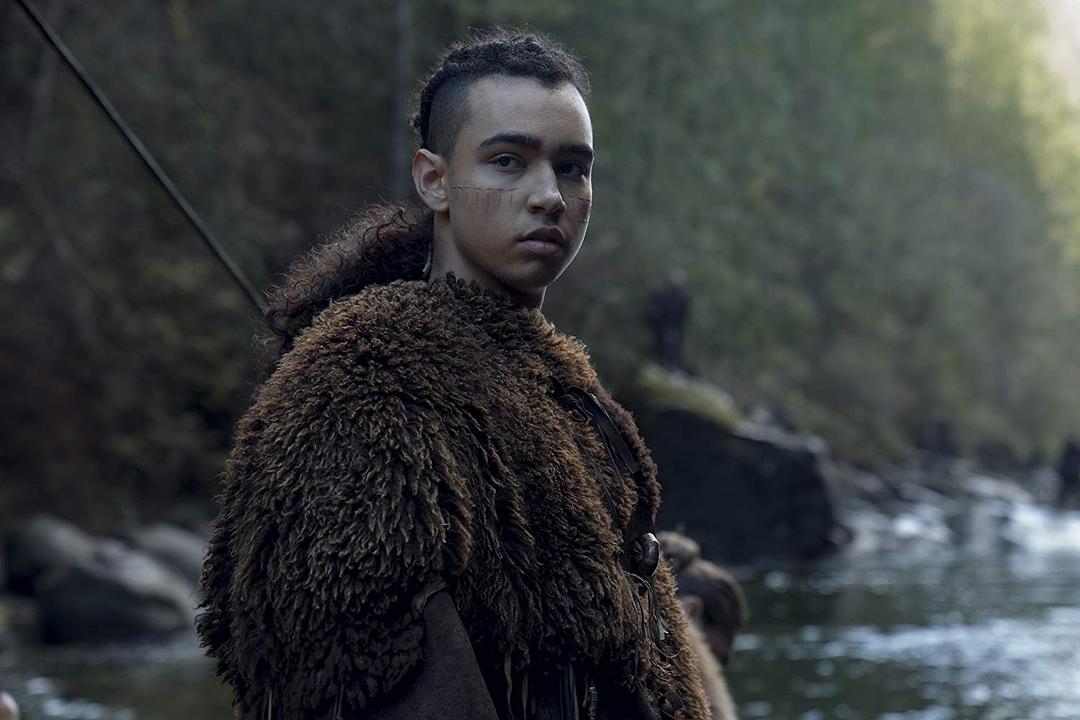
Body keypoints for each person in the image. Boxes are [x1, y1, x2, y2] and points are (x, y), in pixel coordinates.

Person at [196, 29, 709, 720]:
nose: (549, 196)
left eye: (572, 168)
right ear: (434, 180)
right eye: (508, 161)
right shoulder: (364, 384)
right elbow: (363, 679)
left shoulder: (566, 389)